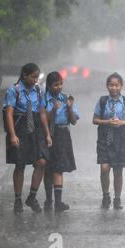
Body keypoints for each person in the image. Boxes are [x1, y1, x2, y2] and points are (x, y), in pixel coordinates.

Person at [4, 63, 52, 214]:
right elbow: (9, 113)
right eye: (33, 77)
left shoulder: (38, 90)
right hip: (20, 129)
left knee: (41, 162)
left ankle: (32, 196)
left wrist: (47, 134)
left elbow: (42, 112)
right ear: (24, 75)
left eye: (37, 77)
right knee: (20, 164)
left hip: (35, 131)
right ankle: (18, 199)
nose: (35, 80)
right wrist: (12, 135)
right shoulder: (14, 90)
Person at [93, 73, 125, 210]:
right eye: (111, 85)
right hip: (104, 138)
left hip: (121, 139)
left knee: (118, 170)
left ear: (121, 86)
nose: (113, 88)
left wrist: (122, 123)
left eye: (116, 85)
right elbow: (95, 119)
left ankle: (117, 199)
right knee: (104, 167)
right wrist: (107, 122)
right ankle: (105, 195)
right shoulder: (102, 101)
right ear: (107, 86)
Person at [43, 71, 80, 212]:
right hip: (48, 134)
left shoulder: (66, 98)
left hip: (63, 134)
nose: (59, 87)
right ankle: (48, 200)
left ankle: (58, 202)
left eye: (61, 84)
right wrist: (53, 110)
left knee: (59, 168)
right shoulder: (44, 99)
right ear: (49, 85)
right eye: (55, 84)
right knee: (48, 168)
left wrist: (70, 107)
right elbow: (43, 120)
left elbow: (74, 121)